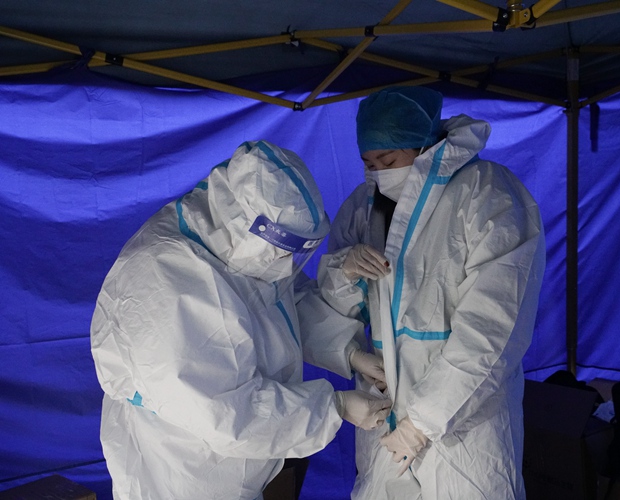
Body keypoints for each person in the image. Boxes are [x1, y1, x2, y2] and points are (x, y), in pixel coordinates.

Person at [90, 140, 392, 500]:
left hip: (237, 467)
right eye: (283, 250)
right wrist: (335, 407)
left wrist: (348, 352)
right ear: (245, 221)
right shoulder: (163, 276)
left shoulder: (238, 249)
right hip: (180, 472)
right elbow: (225, 414)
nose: (285, 265)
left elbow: (280, 315)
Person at [317, 86, 546, 499]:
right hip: (384, 406)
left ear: (424, 145)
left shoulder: (487, 193)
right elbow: (335, 308)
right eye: (369, 164)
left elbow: (492, 328)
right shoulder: (364, 207)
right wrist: (343, 272)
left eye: (388, 161)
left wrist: (424, 421)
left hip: (465, 422)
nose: (379, 174)